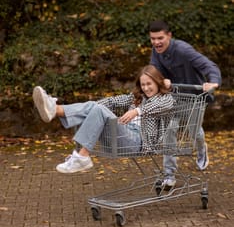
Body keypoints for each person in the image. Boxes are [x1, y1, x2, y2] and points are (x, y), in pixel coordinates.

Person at [33, 65, 174, 174]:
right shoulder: (138, 97)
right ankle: (55, 109)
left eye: (149, 84)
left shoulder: (166, 99)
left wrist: (137, 111)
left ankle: (81, 156)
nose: (146, 88)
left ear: (157, 82)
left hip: (139, 142)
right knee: (96, 106)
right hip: (123, 134)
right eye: (143, 85)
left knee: (98, 109)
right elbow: (114, 101)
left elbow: (160, 105)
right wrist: (91, 108)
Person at [149, 19, 222, 188]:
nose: (156, 42)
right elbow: (153, 70)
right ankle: (169, 174)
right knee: (169, 130)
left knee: (194, 132)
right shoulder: (155, 51)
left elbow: (209, 66)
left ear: (169, 36)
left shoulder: (183, 50)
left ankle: (202, 149)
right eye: (153, 39)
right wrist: (158, 80)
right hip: (173, 98)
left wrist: (213, 82)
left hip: (194, 97)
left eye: (160, 38)